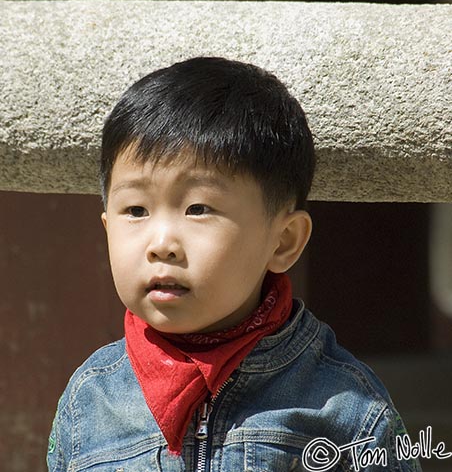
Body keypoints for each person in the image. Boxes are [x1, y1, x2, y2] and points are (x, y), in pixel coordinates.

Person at [47, 57, 421, 472]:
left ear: (283, 241)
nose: (162, 244)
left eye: (198, 208)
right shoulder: (91, 398)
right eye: (135, 210)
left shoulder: (345, 406)